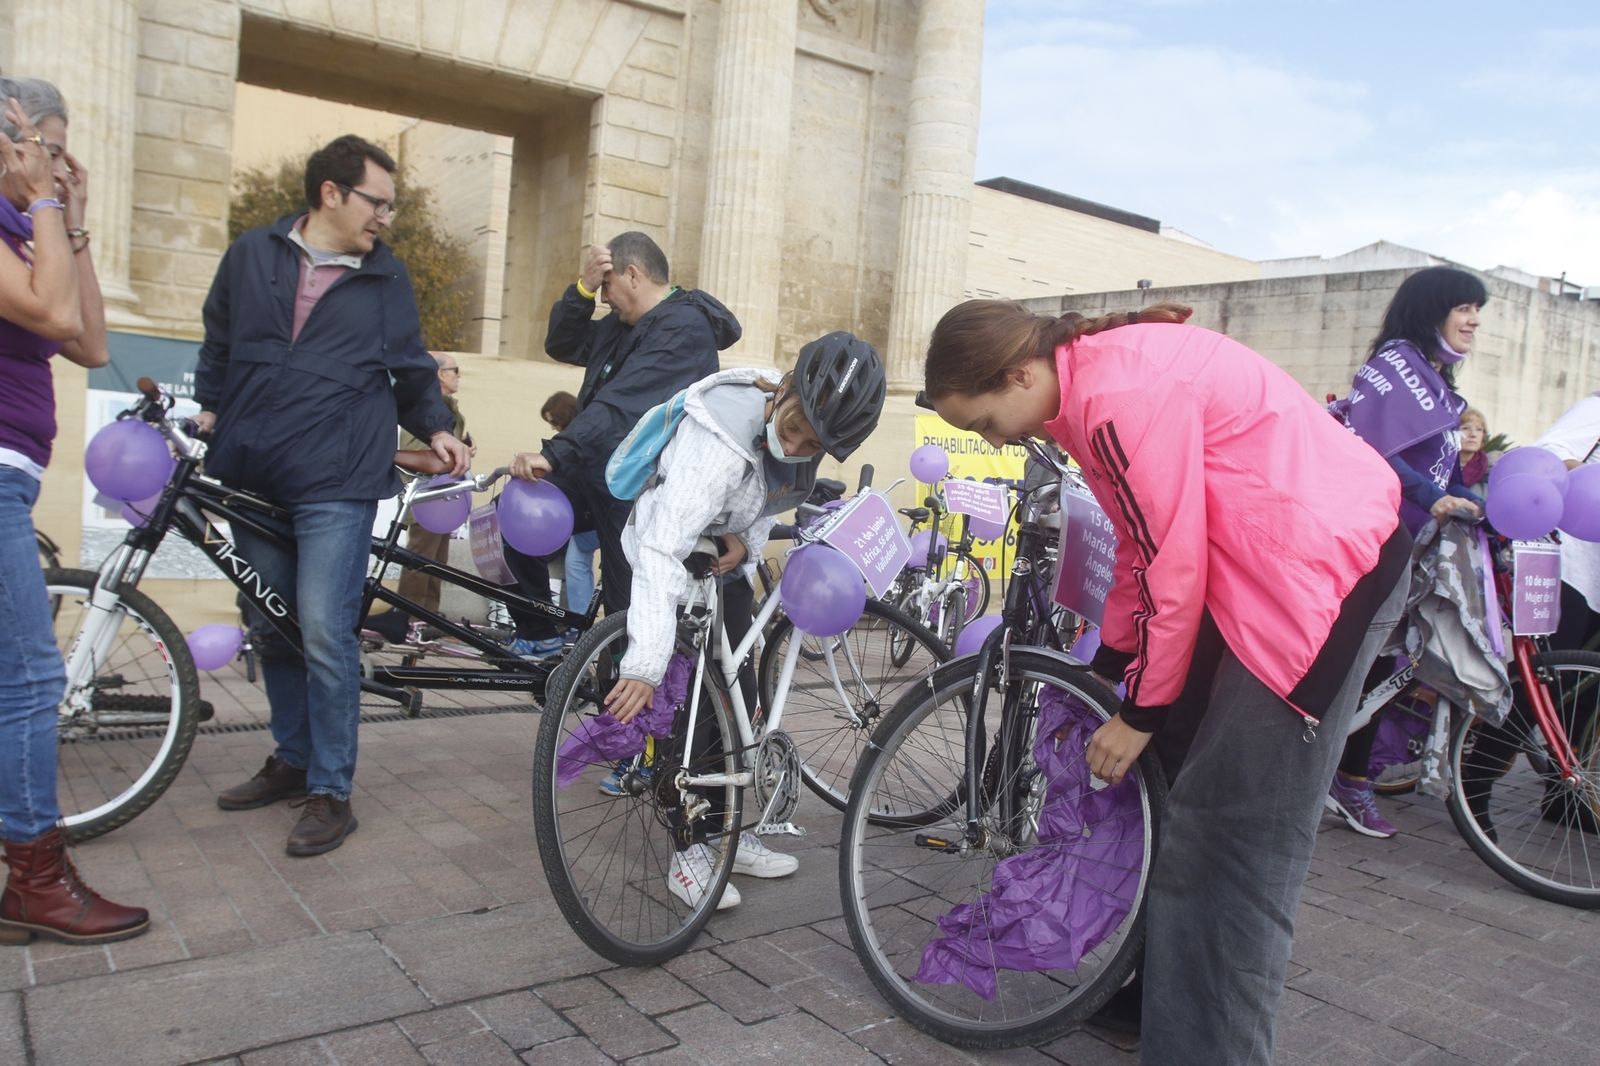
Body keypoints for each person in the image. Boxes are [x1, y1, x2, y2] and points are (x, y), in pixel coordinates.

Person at [921, 299, 1409, 1065]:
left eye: (985, 422)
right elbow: (1140, 551)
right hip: (1265, 565)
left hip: (1317, 582)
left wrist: (1141, 708)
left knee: (1230, 849)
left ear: (1018, 373)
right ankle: (1155, 1002)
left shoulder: (1113, 397)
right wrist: (1112, 671)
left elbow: (1174, 564)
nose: (998, 440)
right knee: (1174, 794)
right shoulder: (1085, 390)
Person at [194, 135, 470, 857]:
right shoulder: (253, 254)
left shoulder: (386, 278)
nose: (386, 216)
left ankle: (330, 790)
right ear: (331, 194)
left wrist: (437, 427)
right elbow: (219, 339)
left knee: (323, 629)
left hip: (338, 477)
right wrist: (209, 405)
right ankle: (290, 758)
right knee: (270, 622)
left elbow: (411, 369)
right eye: (377, 201)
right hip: (253, 470)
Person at [588, 332, 883, 909]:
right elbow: (658, 546)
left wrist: (745, 547)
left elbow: (760, 502)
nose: (794, 444)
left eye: (811, 443)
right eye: (792, 425)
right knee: (687, 714)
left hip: (717, 565)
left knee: (739, 705)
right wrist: (645, 661)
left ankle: (732, 837)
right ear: (785, 389)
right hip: (663, 558)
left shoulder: (806, 435)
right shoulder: (718, 436)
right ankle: (689, 853)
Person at [0, 80, 149, 944]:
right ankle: (35, 881)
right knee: (29, 679)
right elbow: (53, 312)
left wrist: (70, 219)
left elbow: (88, 342)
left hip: (13, 473)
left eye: (59, 150)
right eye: (45, 145)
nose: (58, 162)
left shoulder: (29, 226)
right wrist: (48, 201)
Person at [505, 233, 740, 658]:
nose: (604, 299)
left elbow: (621, 406)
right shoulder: (620, 325)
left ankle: (627, 712)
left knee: (626, 611)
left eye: (606, 288)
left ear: (632, 275)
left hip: (635, 488)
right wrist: (582, 289)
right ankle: (540, 635)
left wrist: (555, 453)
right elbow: (561, 343)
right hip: (593, 468)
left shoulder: (684, 328)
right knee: (515, 508)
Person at [1329, 266, 1487, 838]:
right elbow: (1372, 452)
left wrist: (1479, 504)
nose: (1473, 320)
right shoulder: (1394, 367)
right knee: (1362, 665)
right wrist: (1434, 498)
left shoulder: (1440, 383)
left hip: (1412, 550)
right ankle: (1336, 779)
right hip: (1372, 544)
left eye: (1478, 310)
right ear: (1431, 310)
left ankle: (1348, 779)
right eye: (1465, 307)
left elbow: (1440, 471)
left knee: (1387, 667)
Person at [365, 352, 473, 644]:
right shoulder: (427, 408)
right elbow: (414, 446)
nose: (458, 376)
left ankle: (428, 616)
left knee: (437, 560)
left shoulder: (449, 406)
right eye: (454, 370)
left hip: (445, 494)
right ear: (439, 374)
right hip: (425, 493)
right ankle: (406, 616)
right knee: (418, 557)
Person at [1535, 391, 1600, 652]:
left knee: (1586, 683)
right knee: (1553, 670)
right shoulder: (1594, 409)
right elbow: (1548, 450)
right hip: (1570, 566)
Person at [540, 390, 599, 618]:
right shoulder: (587, 430)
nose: (553, 428)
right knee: (577, 559)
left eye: (553, 422)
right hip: (595, 514)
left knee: (577, 562)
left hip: (593, 514)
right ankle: (581, 620)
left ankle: (580, 619)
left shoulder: (574, 441)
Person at [1458, 406, 1494, 496]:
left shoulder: (1489, 472)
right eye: (1465, 428)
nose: (1473, 434)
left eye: (1479, 429)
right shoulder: (1438, 466)